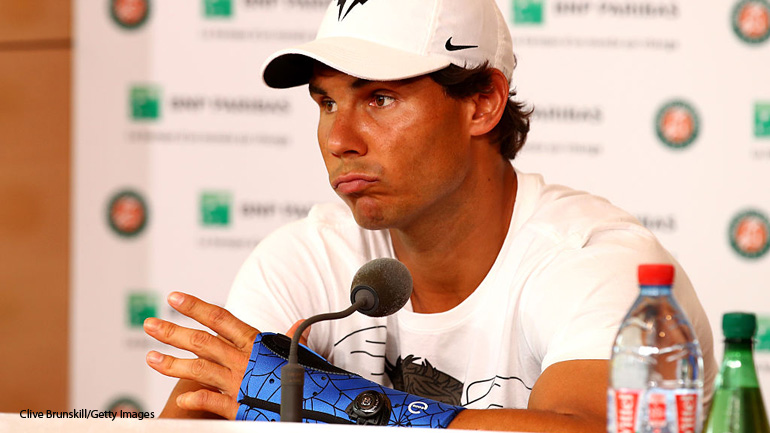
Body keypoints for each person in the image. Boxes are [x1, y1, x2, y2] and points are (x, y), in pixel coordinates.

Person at [143, 0, 717, 431]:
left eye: (380, 99)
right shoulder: (306, 257)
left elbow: (587, 429)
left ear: (482, 102)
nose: (340, 138)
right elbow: (193, 420)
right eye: (326, 102)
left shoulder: (595, 261)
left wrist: (332, 400)